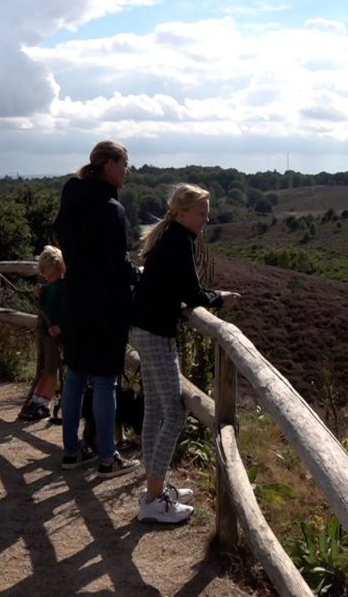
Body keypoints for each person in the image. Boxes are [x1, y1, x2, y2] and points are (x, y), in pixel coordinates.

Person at [130, 184, 239, 523]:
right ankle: (153, 498)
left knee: (155, 410)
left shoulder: (169, 237)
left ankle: (154, 486)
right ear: (181, 213)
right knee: (175, 414)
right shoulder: (179, 241)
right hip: (155, 332)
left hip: (142, 326)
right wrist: (219, 297)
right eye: (201, 213)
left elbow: (173, 287)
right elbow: (191, 293)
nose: (206, 219)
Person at [55, 140, 140, 478]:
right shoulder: (110, 209)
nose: (128, 171)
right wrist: (136, 275)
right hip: (105, 305)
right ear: (109, 165)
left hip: (75, 300)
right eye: (125, 163)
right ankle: (108, 458)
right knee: (105, 381)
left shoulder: (71, 198)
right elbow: (118, 264)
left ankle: (71, 452)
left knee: (75, 375)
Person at [19, 245, 66, 421]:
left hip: (55, 335)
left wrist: (61, 327)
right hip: (46, 333)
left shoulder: (64, 287)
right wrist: (40, 293)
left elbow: (69, 311)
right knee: (46, 368)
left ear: (59, 269)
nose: (47, 277)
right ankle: (38, 399)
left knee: (51, 369)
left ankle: (44, 402)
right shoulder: (50, 286)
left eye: (49, 274)